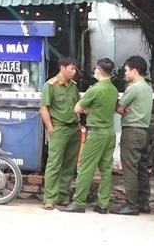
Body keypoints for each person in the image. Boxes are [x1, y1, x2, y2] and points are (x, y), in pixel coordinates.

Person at [60, 58, 119, 214]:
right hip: (109, 132)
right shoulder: (113, 90)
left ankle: (79, 202)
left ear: (98, 71)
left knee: (85, 168)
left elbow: (77, 109)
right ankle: (103, 204)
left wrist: (88, 110)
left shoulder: (95, 90)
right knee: (106, 170)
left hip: (96, 132)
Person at [111, 55, 154, 215]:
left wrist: (121, 108)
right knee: (142, 168)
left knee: (130, 169)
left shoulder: (133, 88)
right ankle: (144, 202)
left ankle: (131, 204)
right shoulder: (148, 88)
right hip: (144, 131)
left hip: (131, 131)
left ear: (135, 71)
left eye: (127, 70)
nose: (125, 73)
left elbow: (120, 108)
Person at [40, 56, 81, 210]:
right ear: (62, 68)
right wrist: (50, 128)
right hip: (59, 128)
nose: (73, 72)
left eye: (75, 69)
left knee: (69, 165)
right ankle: (49, 198)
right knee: (54, 163)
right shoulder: (50, 85)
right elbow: (44, 108)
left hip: (73, 129)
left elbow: (78, 105)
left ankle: (61, 196)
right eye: (71, 68)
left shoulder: (73, 86)